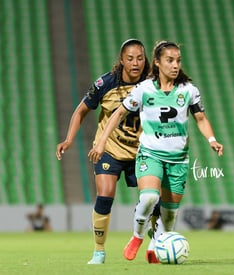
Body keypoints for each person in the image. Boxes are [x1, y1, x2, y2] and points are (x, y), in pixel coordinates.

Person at [88, 41, 224, 262]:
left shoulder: (188, 90)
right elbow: (118, 114)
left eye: (178, 60)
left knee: (169, 215)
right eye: (170, 60)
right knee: (150, 197)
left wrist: (212, 139)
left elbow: (200, 118)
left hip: (178, 159)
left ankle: (156, 244)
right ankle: (136, 237)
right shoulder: (144, 89)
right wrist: (102, 142)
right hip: (150, 154)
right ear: (158, 63)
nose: (175, 65)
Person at [56, 38, 161, 264]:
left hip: (141, 151)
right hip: (108, 149)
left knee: (152, 199)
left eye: (140, 58)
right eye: (130, 58)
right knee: (105, 196)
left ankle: (156, 243)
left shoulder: (153, 83)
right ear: (121, 60)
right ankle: (99, 251)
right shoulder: (106, 83)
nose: (135, 63)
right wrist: (69, 139)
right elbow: (81, 110)